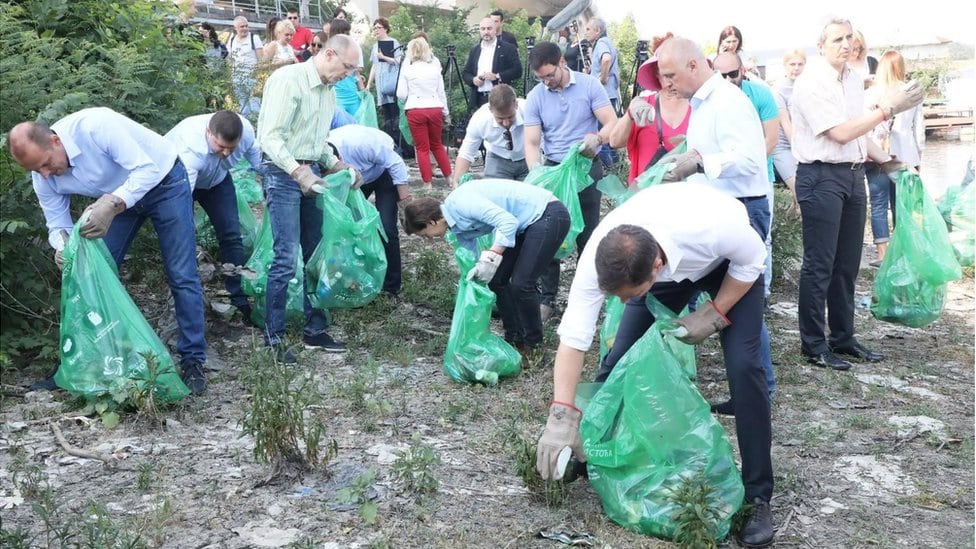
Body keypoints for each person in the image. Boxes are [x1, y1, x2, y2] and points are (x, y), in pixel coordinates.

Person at [534, 183, 774, 548]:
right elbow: (574, 337)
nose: (619, 302)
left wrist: (715, 312)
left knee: (745, 367)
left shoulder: (715, 227)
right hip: (659, 270)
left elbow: (752, 260)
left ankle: (759, 497)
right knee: (616, 363)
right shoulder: (603, 255)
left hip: (726, 265)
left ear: (656, 267)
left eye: (626, 295)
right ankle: (594, 452)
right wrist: (562, 414)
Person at [8, 107, 209, 394]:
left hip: (164, 182)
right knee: (89, 274)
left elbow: (147, 168)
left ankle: (193, 361)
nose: (45, 174)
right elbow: (57, 224)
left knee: (181, 273)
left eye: (46, 164)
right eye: (36, 170)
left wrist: (114, 203)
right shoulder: (42, 175)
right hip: (116, 199)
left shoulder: (96, 126)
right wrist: (64, 247)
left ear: (55, 140)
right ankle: (78, 363)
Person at [790, 18, 921, 371]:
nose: (846, 44)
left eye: (849, 37)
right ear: (821, 45)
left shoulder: (850, 79)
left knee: (847, 264)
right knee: (820, 265)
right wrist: (887, 109)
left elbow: (859, 134)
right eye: (837, 39)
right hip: (820, 176)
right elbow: (842, 133)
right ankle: (813, 344)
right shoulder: (810, 83)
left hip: (851, 175)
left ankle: (843, 337)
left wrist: (888, 161)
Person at [655, 37, 776, 404]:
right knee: (737, 303)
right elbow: (711, 150)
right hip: (715, 210)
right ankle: (753, 390)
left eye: (671, 75)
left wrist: (702, 162)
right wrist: (685, 158)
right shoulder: (703, 104)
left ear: (694, 66)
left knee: (739, 304)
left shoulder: (728, 101)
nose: (667, 85)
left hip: (741, 211)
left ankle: (757, 392)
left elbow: (751, 159)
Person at [256, 34, 364, 361]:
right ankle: (273, 337)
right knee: (287, 256)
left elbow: (317, 143)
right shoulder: (288, 80)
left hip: (311, 172)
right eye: (347, 67)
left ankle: (314, 330)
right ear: (329, 54)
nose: (349, 75)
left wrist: (336, 164)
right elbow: (270, 138)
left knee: (316, 253)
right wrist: (296, 171)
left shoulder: (329, 92)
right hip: (281, 172)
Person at [402, 180, 570, 357]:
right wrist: (473, 278)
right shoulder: (455, 227)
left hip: (546, 214)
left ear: (431, 222)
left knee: (521, 284)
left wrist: (493, 254)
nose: (429, 239)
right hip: (525, 225)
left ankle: (533, 346)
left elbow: (507, 222)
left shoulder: (461, 203)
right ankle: (514, 338)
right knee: (496, 280)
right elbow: (470, 256)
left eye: (425, 234)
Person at [524, 41, 617, 321]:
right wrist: (537, 173)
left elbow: (612, 121)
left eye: (549, 75)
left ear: (562, 63)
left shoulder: (589, 86)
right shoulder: (536, 96)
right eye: (540, 78)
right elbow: (531, 141)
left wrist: (598, 138)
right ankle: (548, 300)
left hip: (586, 168)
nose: (546, 82)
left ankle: (588, 298)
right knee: (549, 234)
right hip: (554, 171)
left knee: (588, 234)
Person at [165, 110, 263, 325]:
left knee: (231, 234)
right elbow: (182, 199)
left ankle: (238, 298)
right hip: (178, 181)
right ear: (209, 132)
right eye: (221, 147)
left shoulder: (245, 132)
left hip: (217, 181)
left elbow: (258, 160)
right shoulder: (191, 146)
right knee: (183, 235)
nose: (227, 153)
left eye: (232, 148)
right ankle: (188, 299)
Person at [713, 52, 781, 301]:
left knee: (762, 239)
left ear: (742, 71)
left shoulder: (761, 94)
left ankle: (761, 292)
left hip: (758, 177)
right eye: (723, 76)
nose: (729, 80)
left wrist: (743, 164)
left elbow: (771, 140)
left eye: (733, 74)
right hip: (722, 180)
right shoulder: (711, 99)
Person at [327, 124, 412, 296]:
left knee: (386, 226)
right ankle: (356, 277)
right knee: (351, 227)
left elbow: (395, 164)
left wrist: (404, 203)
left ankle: (391, 286)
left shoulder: (359, 144)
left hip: (383, 172)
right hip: (353, 181)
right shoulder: (320, 153)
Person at [864, 50, 925, 266]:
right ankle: (903, 253)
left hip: (877, 156)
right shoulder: (911, 92)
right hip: (905, 154)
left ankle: (882, 254)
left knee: (879, 204)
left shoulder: (871, 93)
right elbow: (919, 129)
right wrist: (919, 158)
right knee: (902, 205)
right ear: (901, 67)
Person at [608, 33, 691, 183]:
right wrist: (629, 116)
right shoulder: (644, 104)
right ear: (656, 74)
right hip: (646, 196)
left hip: (688, 196)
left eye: (675, 73)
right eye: (665, 74)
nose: (670, 81)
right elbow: (615, 142)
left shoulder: (697, 106)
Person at [397, 37, 453, 190]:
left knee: (422, 148)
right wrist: (445, 112)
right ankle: (450, 178)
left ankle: (427, 183)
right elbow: (441, 93)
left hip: (415, 108)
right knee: (437, 145)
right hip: (435, 107)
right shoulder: (435, 68)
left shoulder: (407, 69)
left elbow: (401, 94)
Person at [452, 84, 529, 185]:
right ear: (490, 109)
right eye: (500, 119)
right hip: (497, 158)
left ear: (516, 105)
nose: (506, 123)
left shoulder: (530, 109)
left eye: (510, 117)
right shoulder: (479, 119)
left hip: (527, 157)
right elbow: (466, 153)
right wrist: (457, 182)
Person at [462, 17, 522, 110]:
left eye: (489, 28)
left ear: (495, 30)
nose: (486, 32)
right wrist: (473, 80)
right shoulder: (475, 50)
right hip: (479, 99)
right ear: (480, 31)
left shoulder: (508, 48)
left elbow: (518, 71)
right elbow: (466, 73)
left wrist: (497, 76)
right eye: (483, 29)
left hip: (501, 98)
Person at [772, 49, 806, 201]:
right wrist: (799, 152)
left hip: (804, 144)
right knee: (800, 192)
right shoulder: (778, 90)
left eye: (800, 64)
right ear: (785, 65)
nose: (796, 68)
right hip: (784, 146)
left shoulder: (808, 86)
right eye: (792, 64)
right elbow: (785, 123)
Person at [365, 18, 402, 144]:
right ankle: (389, 143)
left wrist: (384, 57)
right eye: (374, 28)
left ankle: (399, 144)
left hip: (391, 83)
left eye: (378, 27)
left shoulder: (393, 42)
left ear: (385, 28)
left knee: (395, 114)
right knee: (386, 116)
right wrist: (369, 83)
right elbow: (374, 66)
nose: (376, 30)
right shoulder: (375, 46)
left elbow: (398, 61)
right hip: (380, 85)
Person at [226, 16, 264, 117]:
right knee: (243, 106)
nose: (245, 28)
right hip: (237, 78)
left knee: (255, 105)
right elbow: (230, 60)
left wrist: (258, 76)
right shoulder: (232, 40)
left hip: (252, 77)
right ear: (235, 28)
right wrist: (230, 77)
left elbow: (261, 59)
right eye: (242, 26)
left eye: (246, 26)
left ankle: (257, 127)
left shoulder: (254, 38)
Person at [328, 18, 365, 117]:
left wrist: (362, 89)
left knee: (356, 125)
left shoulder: (352, 50)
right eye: (345, 32)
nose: (348, 35)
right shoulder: (328, 51)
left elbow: (356, 71)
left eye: (348, 32)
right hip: (337, 96)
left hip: (352, 94)